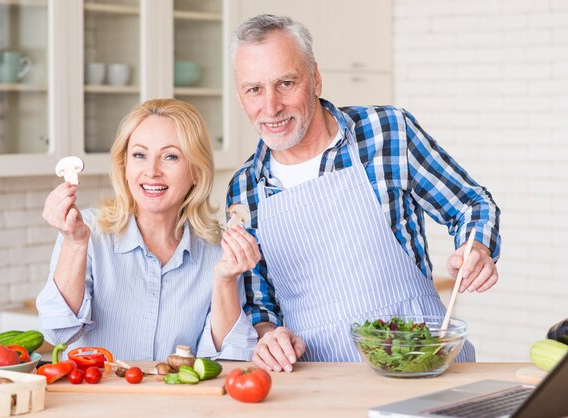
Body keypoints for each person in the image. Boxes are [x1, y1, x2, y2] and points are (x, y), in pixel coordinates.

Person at [227, 14, 501, 372]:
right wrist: (267, 336)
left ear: (316, 79)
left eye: (286, 83)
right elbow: (259, 307)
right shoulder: (245, 188)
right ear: (240, 96)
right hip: (321, 382)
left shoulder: (387, 132)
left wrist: (476, 246)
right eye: (254, 90)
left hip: (421, 362)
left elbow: (470, 204)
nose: (271, 106)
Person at [37, 98, 260, 361]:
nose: (152, 171)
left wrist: (224, 280)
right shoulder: (86, 234)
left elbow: (231, 358)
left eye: (171, 157)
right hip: (97, 400)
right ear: (125, 166)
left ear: (196, 172)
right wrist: (74, 244)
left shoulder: (218, 251)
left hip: (174, 402)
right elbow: (57, 332)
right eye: (140, 155)